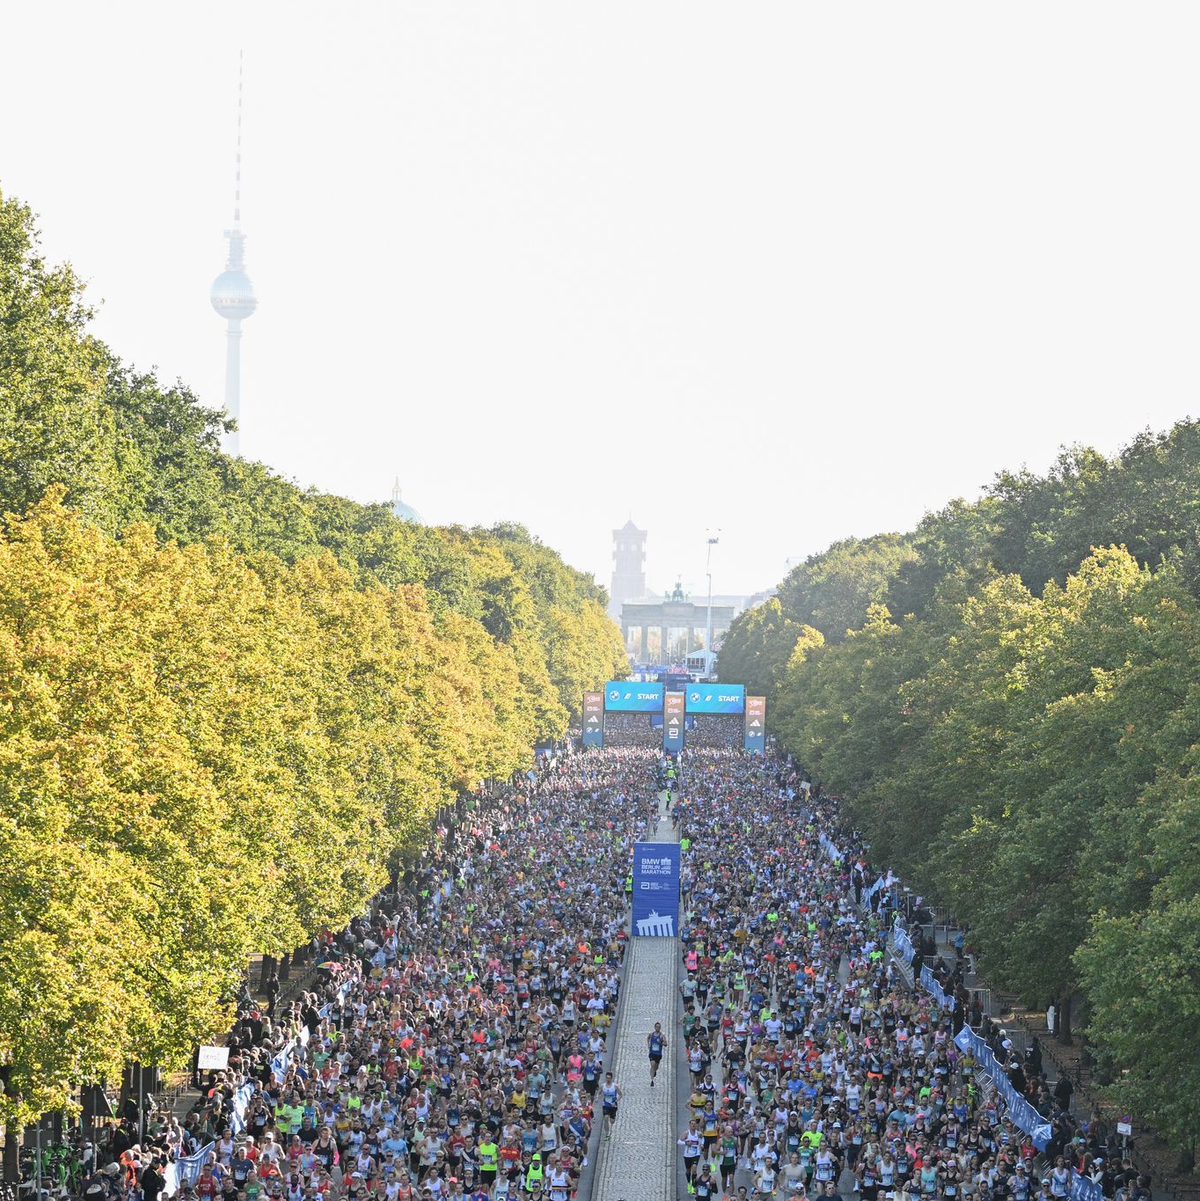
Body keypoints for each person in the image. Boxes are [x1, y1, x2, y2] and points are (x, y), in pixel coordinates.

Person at [600, 1073, 621, 1140]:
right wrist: (597, 1097)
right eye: (607, 1078)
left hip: (613, 1105)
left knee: (612, 1121)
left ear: (611, 1078)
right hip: (605, 1104)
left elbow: (620, 1095)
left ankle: (610, 1128)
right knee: (606, 1118)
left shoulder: (615, 1086)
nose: (608, 1079)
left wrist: (615, 1102)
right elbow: (599, 1092)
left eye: (609, 1078)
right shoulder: (603, 1085)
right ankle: (607, 1135)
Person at [647, 1022, 667, 1086]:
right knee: (652, 1064)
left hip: (658, 1054)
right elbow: (648, 1038)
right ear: (654, 1027)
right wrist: (648, 1044)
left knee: (656, 1067)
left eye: (659, 1027)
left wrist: (661, 1042)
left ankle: (654, 1071)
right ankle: (652, 1080)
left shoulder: (661, 1035)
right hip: (652, 1052)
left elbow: (666, 1044)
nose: (658, 1028)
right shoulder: (651, 1034)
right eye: (657, 1027)